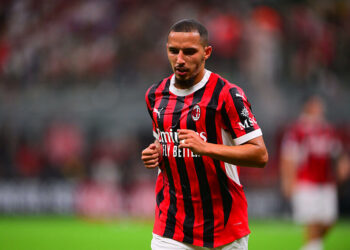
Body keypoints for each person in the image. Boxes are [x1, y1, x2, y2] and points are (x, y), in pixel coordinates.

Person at [141, 19, 268, 250]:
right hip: (171, 225)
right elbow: (163, 143)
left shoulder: (227, 94)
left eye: (189, 52)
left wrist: (206, 147)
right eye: (173, 51)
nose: (180, 59)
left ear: (206, 52)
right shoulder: (155, 95)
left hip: (224, 226)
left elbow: (260, 155)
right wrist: (156, 153)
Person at [280, 95, 349, 250]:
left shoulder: (328, 130)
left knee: (329, 220)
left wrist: (343, 164)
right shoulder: (298, 130)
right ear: (308, 107)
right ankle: (313, 247)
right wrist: (288, 181)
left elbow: (337, 152)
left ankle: (311, 247)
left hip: (326, 182)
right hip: (306, 182)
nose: (320, 109)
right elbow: (288, 157)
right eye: (317, 106)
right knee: (312, 222)